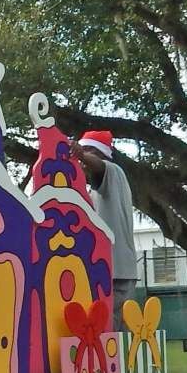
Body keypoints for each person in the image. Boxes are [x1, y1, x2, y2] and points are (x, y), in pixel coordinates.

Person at [70, 130, 138, 329]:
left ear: (100, 153)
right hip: (105, 271)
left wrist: (82, 154)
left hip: (117, 274)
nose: (81, 159)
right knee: (99, 333)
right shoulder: (94, 191)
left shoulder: (113, 173)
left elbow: (98, 166)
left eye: (88, 150)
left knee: (108, 334)